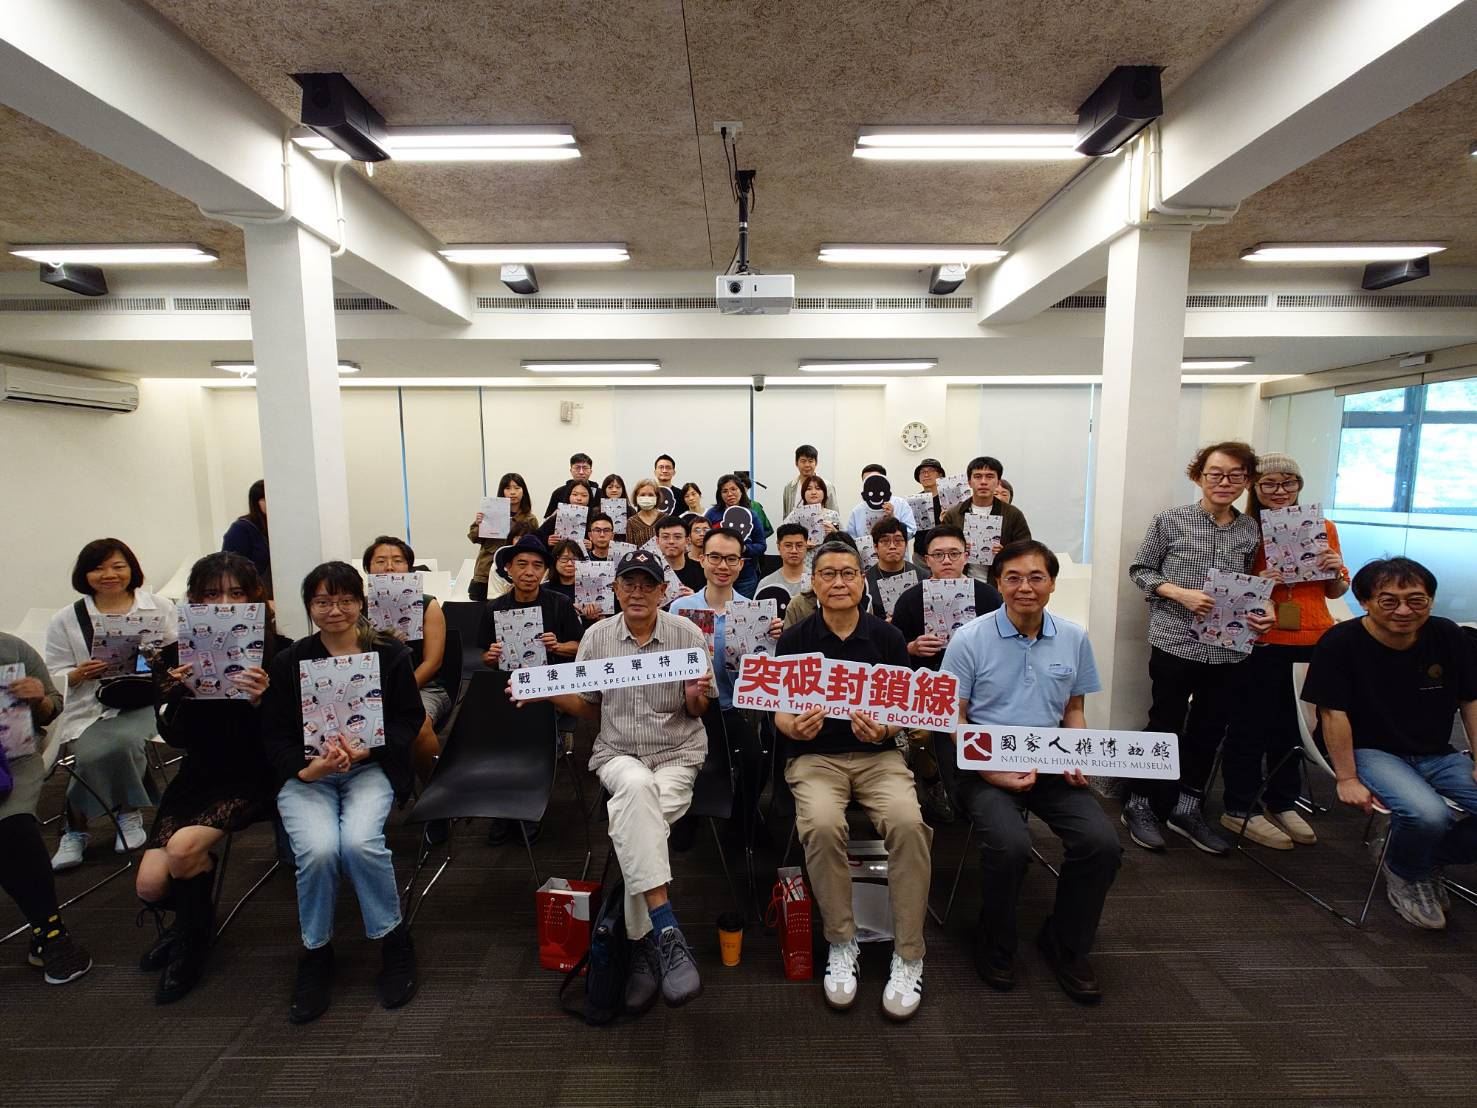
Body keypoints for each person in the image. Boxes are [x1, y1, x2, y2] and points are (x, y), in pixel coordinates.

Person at [521, 549, 712, 1011]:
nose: (637, 592)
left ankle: (644, 945)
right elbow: (589, 706)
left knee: (635, 822)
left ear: (664, 591)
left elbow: (698, 710)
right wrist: (546, 691)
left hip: (677, 754)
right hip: (619, 753)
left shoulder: (686, 633)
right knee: (636, 791)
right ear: (615, 589)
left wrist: (695, 695)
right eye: (629, 583)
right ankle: (665, 929)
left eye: (648, 585)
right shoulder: (597, 636)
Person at [940, 540, 1121, 1003]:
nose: (1026, 587)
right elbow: (953, 718)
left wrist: (1077, 754)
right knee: (1011, 846)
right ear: (998, 584)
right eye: (1014, 578)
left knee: (1101, 844)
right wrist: (990, 770)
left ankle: (1066, 941)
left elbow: (1074, 709)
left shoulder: (1074, 637)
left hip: (1050, 761)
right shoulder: (969, 639)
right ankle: (996, 941)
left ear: (1052, 584)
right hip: (984, 764)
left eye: (1036, 577)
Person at [775, 540, 931, 1021]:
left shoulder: (887, 637)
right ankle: (842, 942)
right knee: (822, 826)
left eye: (848, 573)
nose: (839, 582)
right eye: (828, 574)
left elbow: (906, 712)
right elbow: (778, 711)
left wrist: (884, 728)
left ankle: (909, 953)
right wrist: (793, 727)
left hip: (878, 758)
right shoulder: (795, 638)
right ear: (814, 583)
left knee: (908, 824)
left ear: (863, 582)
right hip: (815, 758)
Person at [261, 562, 421, 1024]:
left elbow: (409, 719)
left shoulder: (388, 654)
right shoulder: (289, 661)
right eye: (323, 601)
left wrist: (371, 748)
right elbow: (273, 734)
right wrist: (305, 769)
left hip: (367, 769)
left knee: (359, 843)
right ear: (309, 606)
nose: (335, 610)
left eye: (346, 600)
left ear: (361, 603)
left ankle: (392, 939)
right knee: (318, 850)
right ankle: (316, 951)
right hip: (309, 776)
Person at [136, 553, 287, 1004]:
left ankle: (192, 943)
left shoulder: (280, 651)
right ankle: (189, 917)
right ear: (194, 600)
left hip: (255, 772)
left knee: (183, 849)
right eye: (211, 594)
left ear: (254, 597)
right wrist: (174, 695)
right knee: (149, 884)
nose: (224, 603)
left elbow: (290, 735)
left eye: (236, 593)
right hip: (200, 772)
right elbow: (175, 737)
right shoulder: (176, 655)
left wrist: (263, 702)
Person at [1302, 557, 1477, 930]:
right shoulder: (1341, 642)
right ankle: (1406, 871)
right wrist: (1347, 778)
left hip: (1435, 751)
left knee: (1428, 824)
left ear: (1430, 600)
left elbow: (1471, 702)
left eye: (1416, 600)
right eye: (1389, 601)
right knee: (1429, 815)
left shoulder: (1448, 635)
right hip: (1369, 750)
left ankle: (1419, 855)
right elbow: (1333, 714)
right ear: (1365, 601)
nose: (1404, 611)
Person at [1124, 441, 1275, 856]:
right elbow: (1140, 569)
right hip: (1175, 638)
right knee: (1164, 722)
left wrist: (1265, 610)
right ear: (1199, 476)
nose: (1225, 482)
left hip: (1229, 647)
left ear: (1247, 481)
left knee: (1210, 728)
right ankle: (1140, 803)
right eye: (1216, 474)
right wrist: (1179, 593)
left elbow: (1257, 584)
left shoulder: (1250, 530)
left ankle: (1187, 808)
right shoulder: (1170, 520)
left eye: (1235, 475)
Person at [1221, 452, 1348, 850]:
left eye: (1288, 483)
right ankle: (1239, 806)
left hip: (1314, 640)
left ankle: (1283, 801)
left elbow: (1336, 590)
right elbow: (1228, 591)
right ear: (1255, 488)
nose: (1280, 491)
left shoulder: (1323, 527)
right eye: (1269, 484)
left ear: (1299, 486)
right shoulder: (1244, 530)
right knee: (1250, 725)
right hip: (1262, 640)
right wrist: (1259, 580)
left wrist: (1336, 569)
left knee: (1296, 728)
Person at [46, 538, 177, 870]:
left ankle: (76, 828)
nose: (109, 575)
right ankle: (125, 812)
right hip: (90, 704)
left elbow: (179, 652)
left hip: (145, 700)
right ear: (84, 574)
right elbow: (53, 673)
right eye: (98, 568)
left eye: (118, 566)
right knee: (98, 751)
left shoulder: (159, 607)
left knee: (116, 745)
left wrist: (156, 663)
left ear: (132, 569)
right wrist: (77, 674)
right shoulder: (67, 619)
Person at [670, 527, 782, 842]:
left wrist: (772, 642)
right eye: (715, 557)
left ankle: (740, 820)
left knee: (755, 759)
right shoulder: (680, 609)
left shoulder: (754, 612)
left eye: (731, 559)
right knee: (686, 759)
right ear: (702, 559)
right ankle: (689, 814)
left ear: (741, 564)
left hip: (729, 708)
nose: (723, 566)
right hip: (685, 709)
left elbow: (761, 677)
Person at [479, 533, 585, 844]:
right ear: (508, 568)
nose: (529, 572)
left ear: (545, 571)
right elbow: (484, 656)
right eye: (522, 564)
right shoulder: (494, 608)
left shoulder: (559, 604)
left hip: (551, 687)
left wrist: (558, 646)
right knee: (495, 738)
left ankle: (527, 808)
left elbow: (580, 647)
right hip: (508, 688)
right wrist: (490, 657)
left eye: (537, 566)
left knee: (532, 736)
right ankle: (503, 808)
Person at [0, 631, 93, 985]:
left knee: (12, 827)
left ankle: (50, 930)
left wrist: (38, 698)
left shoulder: (12, 649)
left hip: (13, 760)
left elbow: (52, 707)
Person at [363, 538, 451, 788]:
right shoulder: (357, 607)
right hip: (370, 689)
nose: (389, 567)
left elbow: (433, 662)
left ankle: (434, 790)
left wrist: (398, 692)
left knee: (419, 726)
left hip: (422, 687)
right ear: (368, 569)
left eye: (398, 561)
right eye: (380, 561)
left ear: (409, 568)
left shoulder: (428, 605)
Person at [891, 525, 1002, 671]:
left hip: (980, 674)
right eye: (938, 555)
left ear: (966, 557)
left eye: (954, 554)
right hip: (927, 676)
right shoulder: (909, 599)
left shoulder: (989, 596)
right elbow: (892, 647)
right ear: (927, 560)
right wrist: (911, 648)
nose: (947, 561)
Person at [940, 456, 1031, 576]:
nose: (983, 482)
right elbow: (940, 548)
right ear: (969, 482)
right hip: (962, 580)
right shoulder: (954, 514)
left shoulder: (1013, 514)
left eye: (990, 476)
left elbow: (1026, 550)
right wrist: (958, 548)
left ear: (998, 482)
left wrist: (1005, 553)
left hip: (999, 581)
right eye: (977, 476)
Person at [468, 472, 538, 603]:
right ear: (502, 491)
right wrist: (479, 523)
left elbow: (535, 547)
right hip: (486, 571)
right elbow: (473, 538)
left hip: (516, 574)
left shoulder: (530, 519)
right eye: (508, 488)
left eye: (517, 488)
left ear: (523, 491)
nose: (513, 492)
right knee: (483, 611)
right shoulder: (490, 512)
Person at [704, 473, 768, 597]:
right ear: (719, 494)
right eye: (725, 491)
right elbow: (704, 541)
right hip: (717, 574)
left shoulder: (752, 515)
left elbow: (761, 545)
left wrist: (745, 549)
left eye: (734, 489)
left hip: (745, 577)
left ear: (741, 491)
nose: (730, 494)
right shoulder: (712, 514)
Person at [865, 516, 924, 619]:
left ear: (906, 545)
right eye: (885, 541)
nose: (892, 546)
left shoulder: (923, 576)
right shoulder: (865, 581)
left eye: (898, 541)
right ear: (875, 547)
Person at [222, 479, 270, 592]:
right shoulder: (241, 529)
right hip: (254, 593)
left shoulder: (279, 527)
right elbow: (230, 566)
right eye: (266, 499)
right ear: (256, 502)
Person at [845, 464, 916, 539]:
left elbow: (911, 532)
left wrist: (893, 519)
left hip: (895, 547)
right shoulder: (857, 511)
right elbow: (851, 539)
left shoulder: (900, 504)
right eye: (866, 480)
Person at [758, 522, 811, 598]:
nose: (794, 550)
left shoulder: (817, 581)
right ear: (778, 547)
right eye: (788, 545)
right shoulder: (766, 584)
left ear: (806, 546)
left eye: (799, 545)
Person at [656, 515, 705, 594]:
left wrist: (694, 598)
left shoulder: (702, 571)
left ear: (687, 540)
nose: (671, 541)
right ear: (657, 541)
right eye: (665, 537)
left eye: (677, 537)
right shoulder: (651, 571)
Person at [783, 444, 837, 516]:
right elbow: (786, 516)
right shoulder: (789, 487)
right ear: (796, 463)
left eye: (810, 461)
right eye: (803, 461)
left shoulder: (827, 486)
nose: (807, 465)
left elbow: (834, 516)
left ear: (816, 463)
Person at [541, 453, 600, 517]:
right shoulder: (559, 492)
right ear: (571, 470)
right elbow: (547, 519)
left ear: (590, 471)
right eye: (577, 468)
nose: (581, 472)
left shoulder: (599, 493)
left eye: (585, 468)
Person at [537, 480, 591, 547]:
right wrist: (546, 540)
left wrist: (592, 545)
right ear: (569, 496)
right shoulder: (558, 515)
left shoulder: (594, 517)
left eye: (584, 495)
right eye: (575, 494)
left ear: (590, 498)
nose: (579, 498)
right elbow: (536, 536)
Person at [797, 475, 842, 543]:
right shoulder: (796, 514)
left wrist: (835, 532)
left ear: (824, 493)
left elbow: (844, 540)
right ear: (803, 493)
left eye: (818, 488)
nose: (813, 492)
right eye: (809, 489)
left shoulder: (833, 515)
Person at [626, 478, 665, 548]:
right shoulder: (631, 522)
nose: (646, 498)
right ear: (636, 497)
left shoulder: (665, 519)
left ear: (657, 497)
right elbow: (630, 549)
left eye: (651, 495)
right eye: (642, 495)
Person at [545, 539, 583, 605]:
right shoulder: (543, 590)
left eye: (574, 559)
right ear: (555, 561)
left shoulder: (588, 589)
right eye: (564, 559)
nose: (570, 564)